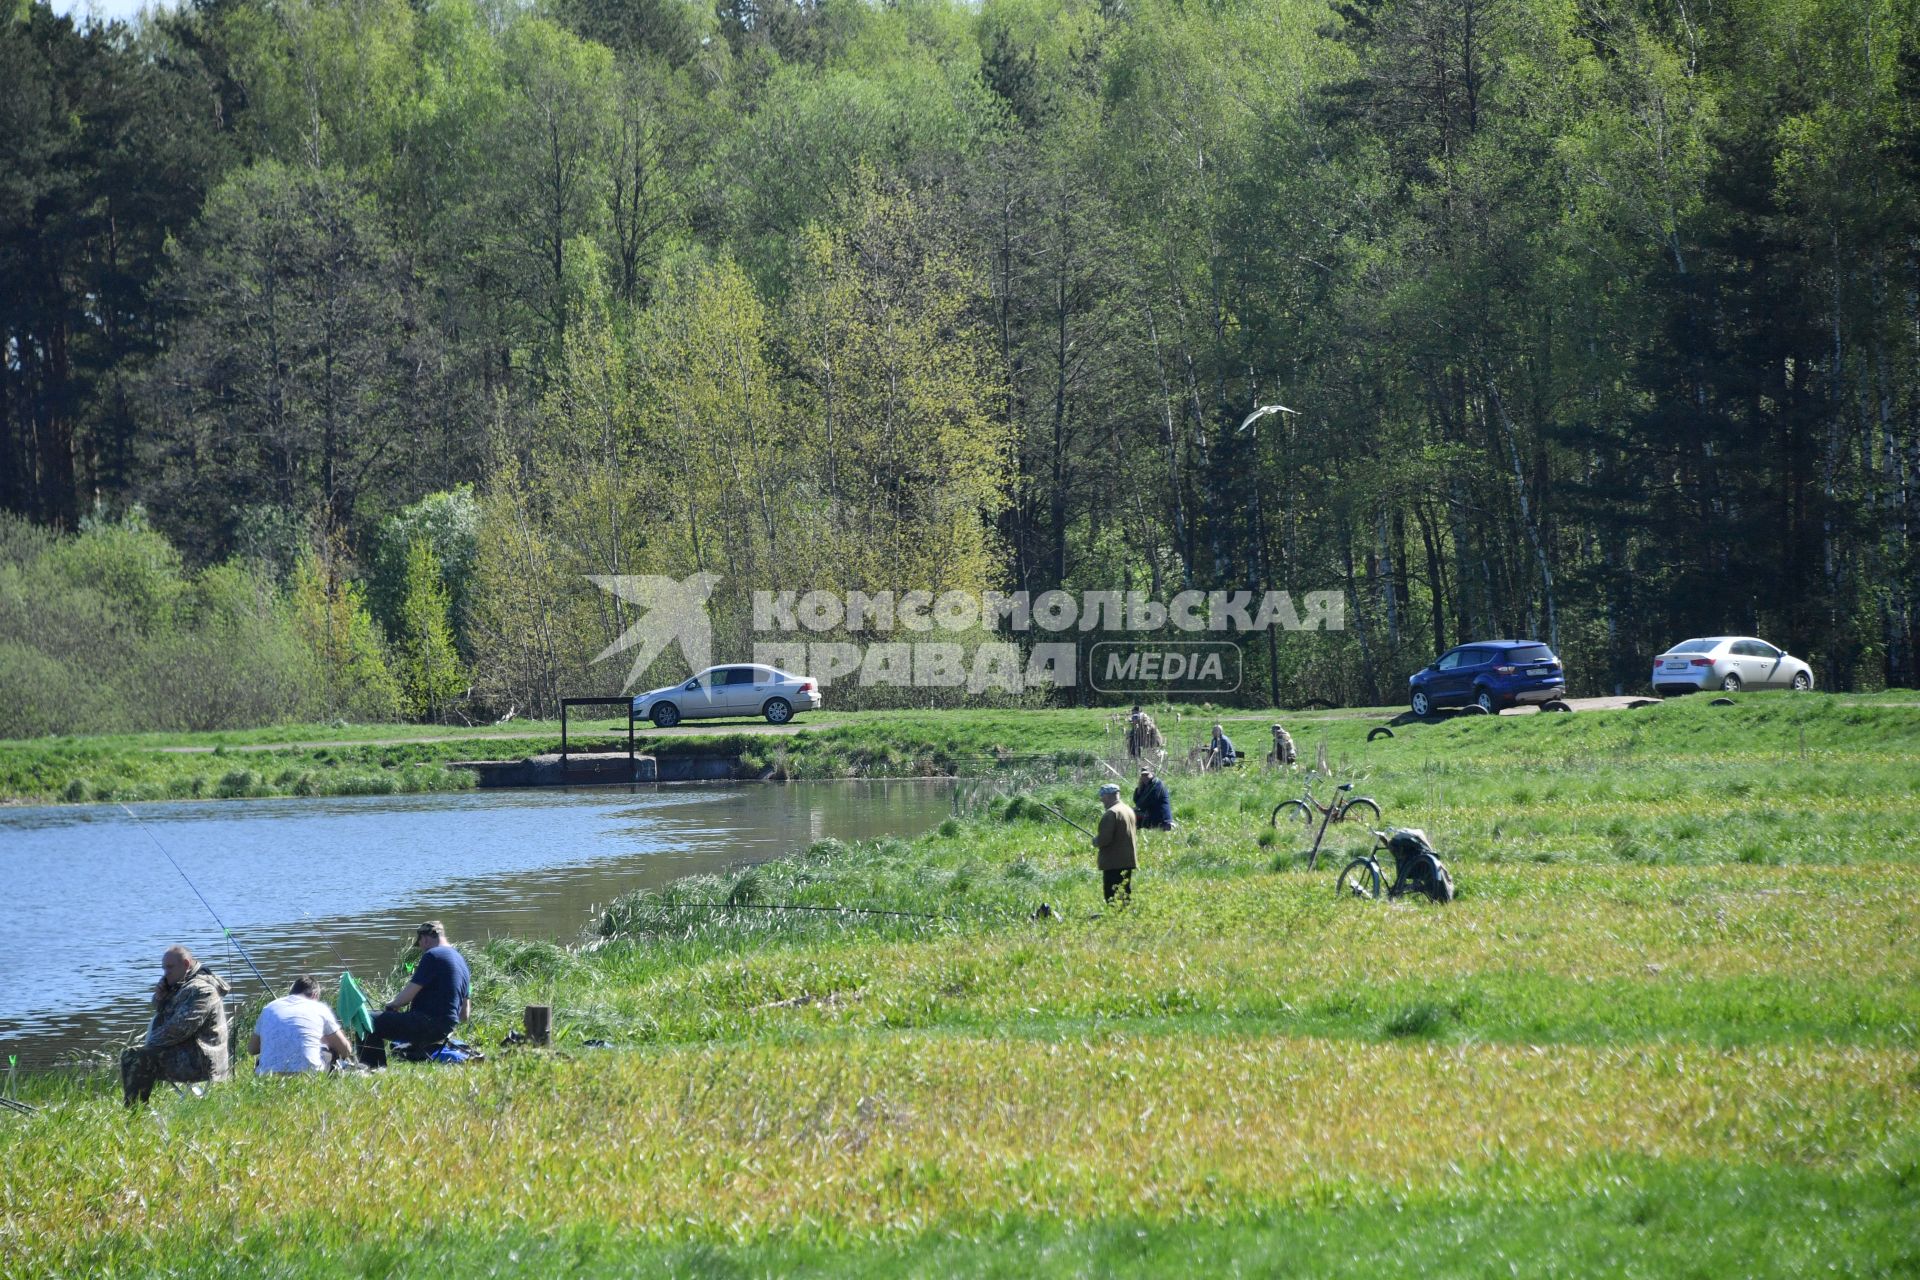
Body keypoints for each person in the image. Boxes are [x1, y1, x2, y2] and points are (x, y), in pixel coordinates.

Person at [121, 945, 232, 1107]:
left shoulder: (202, 989)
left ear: (186, 964)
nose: (166, 973)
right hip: (187, 1051)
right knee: (135, 1055)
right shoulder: (182, 983)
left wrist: (149, 1045)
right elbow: (165, 1014)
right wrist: (161, 998)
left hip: (203, 1060)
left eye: (170, 967)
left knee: (135, 1056)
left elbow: (179, 1029)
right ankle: (135, 1109)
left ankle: (134, 1112)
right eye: (164, 968)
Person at [359, 921, 470, 1066]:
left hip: (427, 1024)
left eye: (421, 945)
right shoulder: (462, 962)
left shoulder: (433, 955)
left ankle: (371, 1068)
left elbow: (406, 996)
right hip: (445, 1029)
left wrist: (392, 1005)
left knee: (366, 1019)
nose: (422, 949)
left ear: (425, 939)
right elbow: (464, 1015)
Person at [250, 976, 355, 1075]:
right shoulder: (320, 1008)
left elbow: (252, 1049)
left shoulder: (269, 1007)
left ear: (291, 993)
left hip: (267, 1075)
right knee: (332, 1051)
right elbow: (345, 1050)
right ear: (314, 995)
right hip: (309, 1075)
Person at [1091, 782, 1138, 904]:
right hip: (1128, 859)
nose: (1101, 800)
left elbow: (1105, 839)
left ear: (1109, 796)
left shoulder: (1111, 813)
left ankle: (1114, 918)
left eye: (1103, 797)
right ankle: (1125, 917)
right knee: (1124, 892)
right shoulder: (1128, 809)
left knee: (1111, 895)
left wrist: (1096, 841)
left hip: (1113, 861)